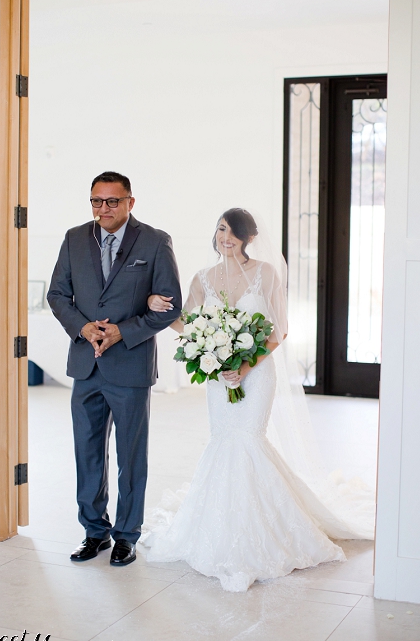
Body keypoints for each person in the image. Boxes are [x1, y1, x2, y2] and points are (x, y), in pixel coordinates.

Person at [139, 208, 375, 592]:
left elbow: (279, 329)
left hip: (257, 372)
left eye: (233, 232)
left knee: (248, 438)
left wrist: (246, 366)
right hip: (219, 376)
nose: (225, 238)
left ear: (248, 237)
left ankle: (267, 528)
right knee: (224, 440)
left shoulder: (265, 273)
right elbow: (187, 322)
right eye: (220, 229)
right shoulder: (203, 277)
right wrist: (162, 312)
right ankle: (220, 525)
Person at [47, 171, 183, 567]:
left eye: (112, 201)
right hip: (86, 365)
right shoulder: (74, 238)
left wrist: (123, 332)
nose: (103, 209)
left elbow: (170, 306)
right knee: (87, 453)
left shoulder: (155, 242)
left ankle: (126, 535)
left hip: (130, 368)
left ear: (130, 202)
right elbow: (57, 294)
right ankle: (94, 532)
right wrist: (83, 327)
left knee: (130, 455)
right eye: (96, 201)